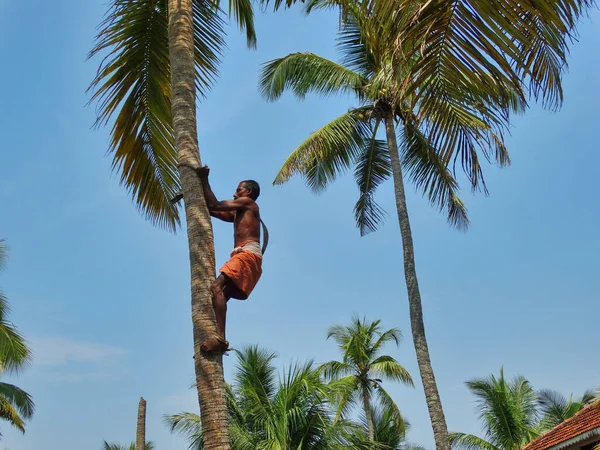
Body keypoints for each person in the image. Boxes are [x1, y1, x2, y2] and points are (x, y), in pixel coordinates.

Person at [196, 165, 263, 354]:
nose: (235, 194)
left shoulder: (248, 204)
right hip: (250, 258)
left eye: (238, 190)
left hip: (246, 255)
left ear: (248, 192)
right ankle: (217, 338)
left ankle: (220, 338)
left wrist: (204, 179)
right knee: (220, 296)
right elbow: (212, 209)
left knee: (216, 288)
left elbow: (216, 204)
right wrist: (191, 195)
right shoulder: (240, 212)